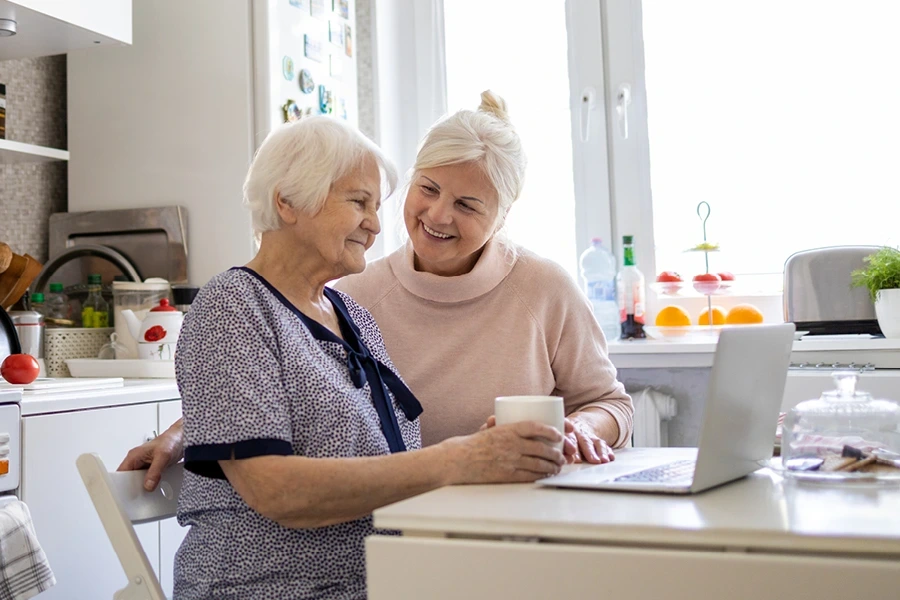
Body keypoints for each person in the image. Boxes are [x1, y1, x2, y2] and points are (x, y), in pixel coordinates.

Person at [120, 90, 632, 490]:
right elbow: (276, 394)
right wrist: (190, 430)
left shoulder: (542, 289)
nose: (437, 216)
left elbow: (610, 403)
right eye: (428, 189)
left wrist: (583, 429)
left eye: (468, 205)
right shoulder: (352, 294)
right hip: (409, 528)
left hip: (500, 516)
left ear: (501, 217)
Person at [169, 116, 565, 599]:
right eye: (359, 202)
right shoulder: (234, 305)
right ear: (287, 201)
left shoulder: (350, 314)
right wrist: (457, 459)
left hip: (385, 581)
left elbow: (384, 464)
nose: (377, 225)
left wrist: (482, 454)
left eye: (377, 207)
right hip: (273, 588)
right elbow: (276, 490)